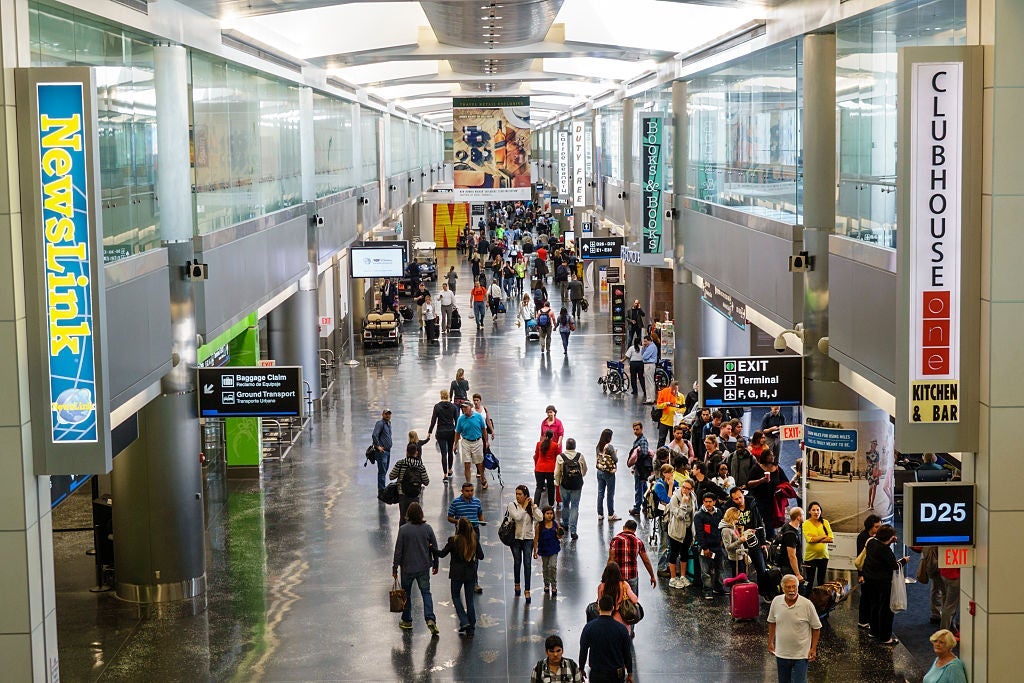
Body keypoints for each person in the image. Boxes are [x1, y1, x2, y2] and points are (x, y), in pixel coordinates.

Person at [392, 502, 440, 635]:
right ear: (421, 514)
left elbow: (398, 550)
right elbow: (434, 548)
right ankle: (430, 618)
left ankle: (407, 620)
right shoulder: (427, 528)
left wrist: (395, 567)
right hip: (423, 567)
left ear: (408, 514)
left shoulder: (403, 530)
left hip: (407, 568)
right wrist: (436, 564)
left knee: (406, 594)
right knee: (426, 593)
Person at [861, 524, 910, 645]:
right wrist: (904, 560)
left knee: (874, 605)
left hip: (870, 580)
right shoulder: (886, 551)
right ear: (890, 537)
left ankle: (873, 631)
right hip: (883, 583)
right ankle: (885, 637)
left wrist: (889, 541)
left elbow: (881, 548)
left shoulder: (871, 542)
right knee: (886, 610)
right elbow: (894, 566)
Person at [768, 574, 822, 683]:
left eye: (794, 587)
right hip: (782, 653)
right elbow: (772, 622)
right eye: (788, 587)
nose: (791, 590)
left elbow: (816, 628)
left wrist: (813, 648)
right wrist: (770, 642)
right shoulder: (776, 601)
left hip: (801, 655)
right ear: (782, 588)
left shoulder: (807, 604)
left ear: (798, 587)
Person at [437, 517, 484, 637]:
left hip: (457, 574)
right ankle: (471, 628)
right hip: (470, 573)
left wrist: (431, 548)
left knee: (456, 596)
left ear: (459, 528)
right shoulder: (473, 539)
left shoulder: (453, 540)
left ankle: (464, 620)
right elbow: (481, 556)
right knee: (470, 600)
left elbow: (442, 554)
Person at [579, 595, 634, 683]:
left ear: (599, 608)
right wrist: (630, 673)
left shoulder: (589, 627)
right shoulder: (622, 629)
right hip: (616, 675)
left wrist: (581, 669)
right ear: (612, 608)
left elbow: (583, 650)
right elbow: (627, 653)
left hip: (597, 674)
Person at [507, 485, 543, 603]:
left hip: (528, 539)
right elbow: (517, 517)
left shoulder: (530, 507)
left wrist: (533, 506)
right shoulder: (512, 505)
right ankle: (517, 584)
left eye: (520, 494)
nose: (518, 496)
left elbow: (540, 518)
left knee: (527, 564)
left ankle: (527, 590)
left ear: (526, 495)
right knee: (517, 562)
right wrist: (523, 507)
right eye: (516, 494)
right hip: (515, 539)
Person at [609, 519, 657, 598]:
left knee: (617, 598)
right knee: (633, 599)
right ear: (634, 530)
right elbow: (646, 561)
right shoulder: (638, 542)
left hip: (618, 576)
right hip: (632, 575)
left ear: (624, 527)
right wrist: (652, 576)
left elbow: (611, 559)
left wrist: (607, 576)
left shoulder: (615, 540)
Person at [748, 452, 790, 539]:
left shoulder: (777, 468)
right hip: (759, 499)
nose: (772, 457)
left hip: (773, 501)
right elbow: (749, 483)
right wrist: (761, 481)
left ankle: (770, 539)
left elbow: (786, 482)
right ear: (765, 457)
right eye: (770, 455)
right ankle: (757, 538)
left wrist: (780, 489)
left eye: (773, 455)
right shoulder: (757, 468)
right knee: (757, 520)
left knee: (770, 522)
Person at [694, 491, 727, 599]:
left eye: (710, 501)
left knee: (720, 568)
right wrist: (704, 547)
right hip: (705, 547)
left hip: (717, 546)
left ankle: (718, 587)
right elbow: (699, 533)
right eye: (706, 501)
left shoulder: (719, 512)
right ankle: (707, 590)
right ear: (703, 502)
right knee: (705, 571)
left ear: (714, 502)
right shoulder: (699, 515)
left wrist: (721, 541)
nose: (708, 504)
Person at [390, 441, 430, 526]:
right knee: (415, 519)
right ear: (416, 453)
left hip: (402, 494)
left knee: (403, 518)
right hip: (415, 495)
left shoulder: (400, 463)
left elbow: (391, 476)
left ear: (407, 452)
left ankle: (402, 533)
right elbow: (426, 481)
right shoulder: (420, 466)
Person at [665, 478, 696, 589]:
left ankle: (683, 576)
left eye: (687, 488)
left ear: (692, 489)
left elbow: (694, 512)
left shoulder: (693, 497)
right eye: (683, 487)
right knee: (673, 553)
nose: (684, 490)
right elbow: (679, 515)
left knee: (684, 553)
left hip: (688, 529)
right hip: (676, 530)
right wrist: (683, 503)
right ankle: (673, 578)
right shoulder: (675, 498)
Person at [555, 438, 587, 540]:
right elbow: (584, 469)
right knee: (575, 506)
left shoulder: (560, 457)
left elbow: (557, 473)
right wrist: (579, 477)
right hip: (577, 486)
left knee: (565, 504)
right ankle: (573, 531)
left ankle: (565, 523)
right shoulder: (580, 456)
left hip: (565, 485)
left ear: (566, 446)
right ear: (575, 446)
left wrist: (558, 482)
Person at [596, 561, 640, 636]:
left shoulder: (601, 587)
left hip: (607, 620)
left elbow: (600, 604)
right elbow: (635, 599)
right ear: (618, 573)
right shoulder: (624, 585)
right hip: (622, 621)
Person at [856, 514, 883, 629]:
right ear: (870, 526)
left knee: (875, 598)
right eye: (877, 527)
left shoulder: (879, 536)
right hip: (867, 572)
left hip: (876, 573)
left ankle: (872, 620)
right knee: (866, 597)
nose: (879, 529)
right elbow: (860, 557)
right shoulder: (862, 537)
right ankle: (862, 621)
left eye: (880, 526)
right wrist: (861, 575)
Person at [454, 401, 489, 487]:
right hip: (466, 442)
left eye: (466, 407)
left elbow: (483, 429)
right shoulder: (461, 419)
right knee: (467, 464)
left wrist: (486, 441)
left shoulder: (478, 416)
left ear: (470, 407)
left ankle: (483, 478)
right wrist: (455, 444)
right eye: (462, 407)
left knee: (479, 463)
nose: (464, 409)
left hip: (477, 442)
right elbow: (457, 432)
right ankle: (468, 483)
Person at [428, 390, 459, 482]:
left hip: (441, 432)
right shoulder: (453, 407)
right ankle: (450, 470)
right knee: (450, 452)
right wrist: (458, 433)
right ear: (448, 396)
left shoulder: (437, 407)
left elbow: (433, 420)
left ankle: (445, 474)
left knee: (443, 454)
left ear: (441, 396)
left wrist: (430, 432)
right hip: (451, 432)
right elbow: (457, 421)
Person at [802, 502, 833, 591]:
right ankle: (808, 597)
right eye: (813, 510)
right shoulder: (806, 523)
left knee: (821, 581)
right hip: (810, 557)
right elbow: (809, 540)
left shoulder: (825, 522)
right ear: (809, 512)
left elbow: (831, 539)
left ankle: (820, 598)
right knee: (809, 581)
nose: (816, 512)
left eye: (818, 510)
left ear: (820, 511)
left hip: (823, 556)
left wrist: (815, 538)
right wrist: (823, 536)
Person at [534, 505, 563, 596]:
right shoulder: (539, 526)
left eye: (551, 513)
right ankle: (546, 584)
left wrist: (558, 534)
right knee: (545, 567)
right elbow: (536, 538)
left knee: (552, 566)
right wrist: (534, 551)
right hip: (544, 549)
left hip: (554, 548)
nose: (550, 515)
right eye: (547, 513)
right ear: (543, 514)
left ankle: (553, 585)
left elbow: (559, 536)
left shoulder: (555, 524)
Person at [626, 422, 653, 517]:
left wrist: (636, 461)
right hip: (640, 468)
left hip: (640, 469)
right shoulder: (639, 440)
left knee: (638, 488)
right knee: (644, 487)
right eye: (634, 429)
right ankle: (645, 506)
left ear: (641, 429)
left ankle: (637, 508)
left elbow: (644, 453)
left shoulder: (642, 441)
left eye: (637, 429)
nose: (635, 431)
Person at [594, 429, 620, 522]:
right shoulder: (610, 447)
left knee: (600, 493)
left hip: (599, 471)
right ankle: (610, 514)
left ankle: (600, 514)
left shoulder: (598, 446)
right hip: (609, 472)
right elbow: (615, 459)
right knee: (610, 494)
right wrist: (615, 453)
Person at [720, 507, 751, 579]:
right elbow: (728, 547)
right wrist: (741, 540)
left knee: (742, 578)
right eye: (737, 518)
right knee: (738, 579)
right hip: (735, 559)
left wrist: (745, 533)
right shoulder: (726, 530)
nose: (738, 520)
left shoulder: (732, 526)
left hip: (740, 556)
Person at [534, 429, 561, 507]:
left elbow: (536, 457)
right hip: (550, 470)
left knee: (539, 487)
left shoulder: (539, 444)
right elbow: (558, 457)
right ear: (552, 437)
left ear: (545, 435)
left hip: (539, 469)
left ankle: (535, 505)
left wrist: (536, 467)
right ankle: (551, 505)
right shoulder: (555, 445)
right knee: (551, 488)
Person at [778, 507, 805, 585]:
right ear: (798, 517)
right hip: (789, 568)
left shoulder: (787, 526)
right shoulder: (791, 534)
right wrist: (798, 574)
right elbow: (792, 556)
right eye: (803, 515)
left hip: (787, 567)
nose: (804, 516)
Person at [371, 409, 394, 493]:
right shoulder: (380, 423)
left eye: (389, 414)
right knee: (382, 471)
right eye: (386, 414)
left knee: (385, 470)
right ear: (383, 414)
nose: (388, 415)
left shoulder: (389, 424)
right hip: (382, 452)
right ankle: (381, 491)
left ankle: (382, 488)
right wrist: (378, 446)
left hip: (387, 451)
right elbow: (374, 435)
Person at [654, 380, 681, 447]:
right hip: (664, 421)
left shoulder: (680, 396)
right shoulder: (663, 393)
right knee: (662, 439)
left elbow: (684, 407)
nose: (675, 391)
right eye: (674, 389)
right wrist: (666, 404)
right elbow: (658, 406)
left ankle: (672, 452)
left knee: (673, 440)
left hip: (675, 422)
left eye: (676, 389)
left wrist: (680, 411)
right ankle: (660, 452)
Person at [641, 336, 658, 405]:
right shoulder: (648, 347)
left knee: (649, 382)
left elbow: (644, 356)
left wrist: (644, 352)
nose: (644, 343)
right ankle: (650, 398)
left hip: (649, 365)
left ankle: (651, 399)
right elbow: (642, 354)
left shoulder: (651, 347)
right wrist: (643, 348)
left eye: (646, 341)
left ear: (649, 340)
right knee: (648, 382)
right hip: (648, 365)